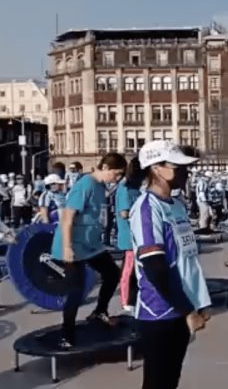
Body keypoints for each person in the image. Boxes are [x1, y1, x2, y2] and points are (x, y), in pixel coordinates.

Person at [129, 140, 211, 389]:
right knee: (157, 382)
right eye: (178, 167)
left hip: (183, 303)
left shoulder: (177, 205)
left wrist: (201, 301)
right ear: (157, 169)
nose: (185, 173)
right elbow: (155, 268)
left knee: (171, 379)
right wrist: (188, 311)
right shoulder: (146, 209)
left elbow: (187, 259)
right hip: (160, 310)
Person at [51, 153, 127, 349]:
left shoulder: (101, 187)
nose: (117, 179)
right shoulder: (85, 185)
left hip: (91, 245)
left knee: (111, 274)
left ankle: (100, 311)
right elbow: (67, 218)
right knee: (76, 290)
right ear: (105, 168)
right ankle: (67, 336)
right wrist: (67, 248)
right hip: (73, 244)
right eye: (116, 174)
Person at [115, 157, 145, 315]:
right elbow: (124, 213)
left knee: (137, 270)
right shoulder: (124, 189)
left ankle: (135, 298)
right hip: (129, 237)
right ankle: (126, 302)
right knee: (129, 270)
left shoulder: (137, 189)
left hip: (138, 236)